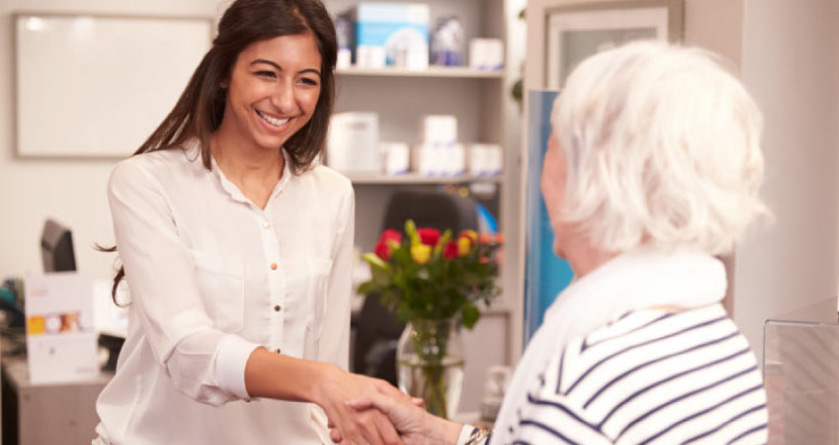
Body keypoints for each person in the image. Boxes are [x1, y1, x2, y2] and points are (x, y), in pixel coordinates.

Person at [333, 41, 771, 444]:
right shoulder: (721, 343)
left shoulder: (584, 383)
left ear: (595, 176)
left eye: (553, 145)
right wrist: (435, 433)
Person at [94, 1, 409, 444]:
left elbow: (332, 351)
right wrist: (320, 380)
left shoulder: (333, 194)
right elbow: (187, 350)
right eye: (266, 73)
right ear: (225, 72)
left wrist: (341, 403)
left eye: (306, 81)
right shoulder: (147, 182)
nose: (285, 100)